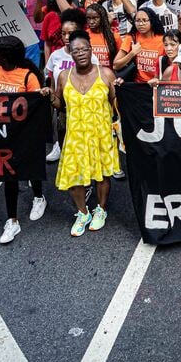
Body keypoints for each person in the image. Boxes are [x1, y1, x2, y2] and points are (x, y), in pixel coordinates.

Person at [53, 32, 121, 237]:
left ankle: (100, 210)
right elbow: (59, 103)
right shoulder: (64, 76)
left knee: (102, 177)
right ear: (70, 54)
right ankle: (83, 213)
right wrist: (48, 96)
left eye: (84, 49)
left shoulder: (107, 74)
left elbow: (115, 102)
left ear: (91, 50)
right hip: (75, 136)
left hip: (101, 134)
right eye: (76, 50)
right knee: (75, 179)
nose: (81, 53)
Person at [0, 36, 53, 244]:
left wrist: (42, 94)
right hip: (2, 133)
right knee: (10, 176)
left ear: (6, 56)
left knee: (30, 168)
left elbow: (34, 106)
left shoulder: (28, 76)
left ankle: (38, 196)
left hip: (24, 134)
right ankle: (12, 220)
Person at [113, 8, 166, 83]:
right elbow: (115, 65)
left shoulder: (162, 39)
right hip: (138, 84)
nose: (141, 24)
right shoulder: (132, 37)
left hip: (157, 83)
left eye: (144, 20)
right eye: (138, 21)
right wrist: (132, 53)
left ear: (152, 21)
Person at [86, 3, 121, 67]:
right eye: (88, 18)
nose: (91, 22)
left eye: (95, 18)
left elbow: (120, 60)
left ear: (102, 18)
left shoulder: (114, 36)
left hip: (108, 75)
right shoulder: (83, 36)